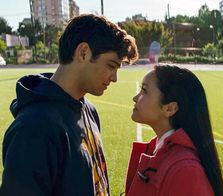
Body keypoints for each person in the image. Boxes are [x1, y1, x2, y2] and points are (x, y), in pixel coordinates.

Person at [0, 14, 138, 196]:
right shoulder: (32, 129)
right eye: (111, 65)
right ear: (83, 52)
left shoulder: (88, 109)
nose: (114, 78)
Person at [125, 65, 223, 196]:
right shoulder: (161, 150)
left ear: (169, 109)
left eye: (144, 91)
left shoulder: (186, 170)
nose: (135, 98)